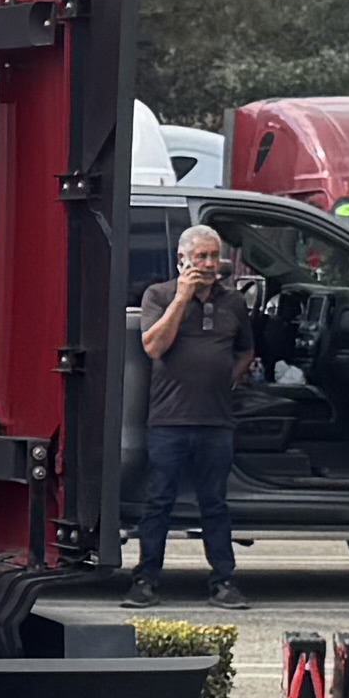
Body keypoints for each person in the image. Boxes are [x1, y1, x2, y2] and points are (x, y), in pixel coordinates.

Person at [128, 222, 251, 600]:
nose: (210, 263)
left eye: (215, 256)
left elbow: (246, 350)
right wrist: (182, 298)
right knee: (159, 502)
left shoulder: (233, 301)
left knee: (214, 504)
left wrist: (227, 379)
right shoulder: (158, 295)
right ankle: (146, 580)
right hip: (169, 420)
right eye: (202, 256)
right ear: (182, 260)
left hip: (216, 421)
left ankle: (224, 581)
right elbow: (153, 346)